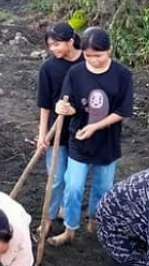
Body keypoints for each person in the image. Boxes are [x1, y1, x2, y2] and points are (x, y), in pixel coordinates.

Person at [49, 27, 133, 246]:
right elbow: (68, 102)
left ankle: (95, 219)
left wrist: (96, 127)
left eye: (99, 55)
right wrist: (64, 107)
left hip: (107, 142)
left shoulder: (122, 74)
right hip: (79, 139)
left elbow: (123, 111)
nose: (94, 60)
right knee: (73, 186)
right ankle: (70, 228)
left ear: (109, 51)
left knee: (103, 188)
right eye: (88, 56)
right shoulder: (76, 73)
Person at [36, 23, 84, 225]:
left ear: (71, 41)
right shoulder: (48, 68)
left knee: (74, 180)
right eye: (50, 46)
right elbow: (44, 104)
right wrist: (42, 134)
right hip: (57, 131)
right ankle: (49, 215)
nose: (53, 49)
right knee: (55, 178)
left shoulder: (87, 62)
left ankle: (67, 211)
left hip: (82, 130)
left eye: (57, 44)